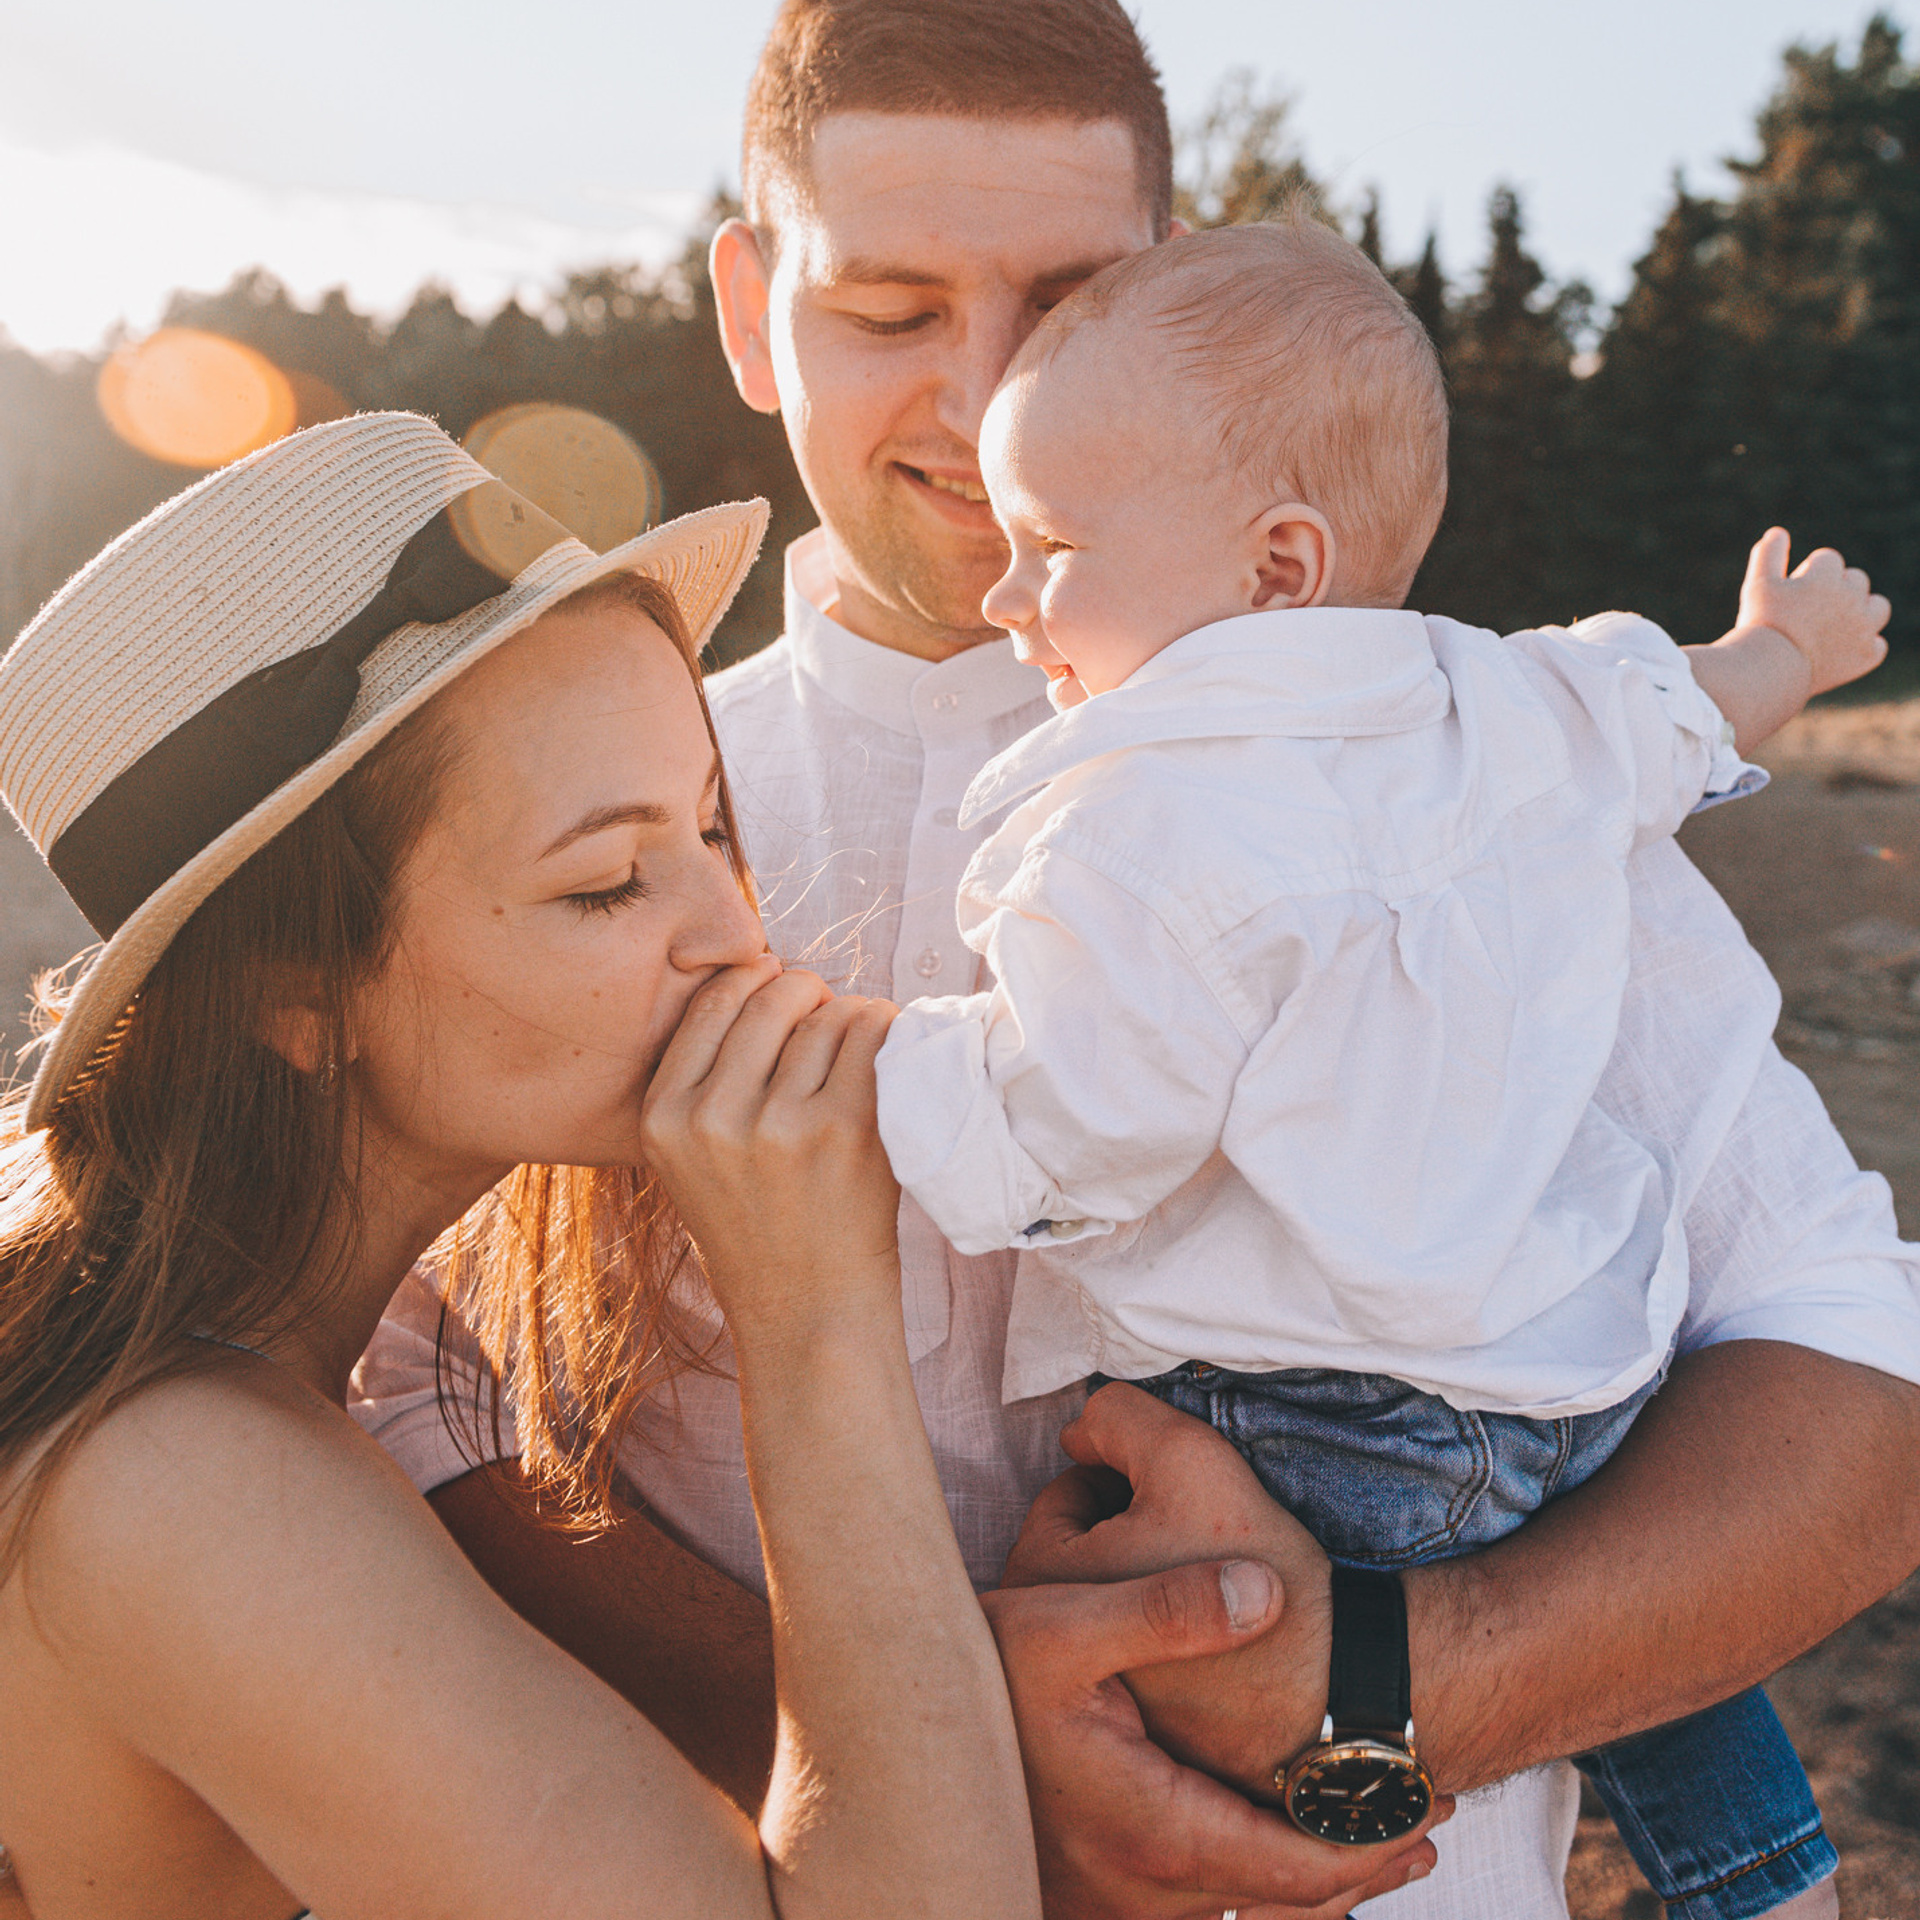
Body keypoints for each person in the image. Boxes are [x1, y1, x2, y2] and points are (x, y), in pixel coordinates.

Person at [353, 4, 1920, 1915]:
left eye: (1070, 294)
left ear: (1173, 295)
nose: (977, 396)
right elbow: (413, 1392)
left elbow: (1850, 1363)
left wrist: (1384, 1688)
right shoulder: (566, 826)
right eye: (890, 309)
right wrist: (921, 1748)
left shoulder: (1447, 756)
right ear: (755, 316)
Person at [0, 409, 1268, 1920]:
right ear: (297, 989)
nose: (733, 930)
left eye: (714, 829)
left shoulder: (196, 1407)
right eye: (605, 882)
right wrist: (815, 1317)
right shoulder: (179, 1483)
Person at [872, 216, 1893, 1915]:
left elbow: (1077, 1131)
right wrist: (1789, 643)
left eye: (1049, 547)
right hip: (1582, 1375)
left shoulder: (1145, 812)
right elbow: (1685, 710)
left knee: (1206, 1656)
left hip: (1320, 1428)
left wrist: (886, 1073)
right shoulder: (1515, 698)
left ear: (1274, 568)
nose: (1004, 595)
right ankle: (1766, 1875)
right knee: (1652, 1655)